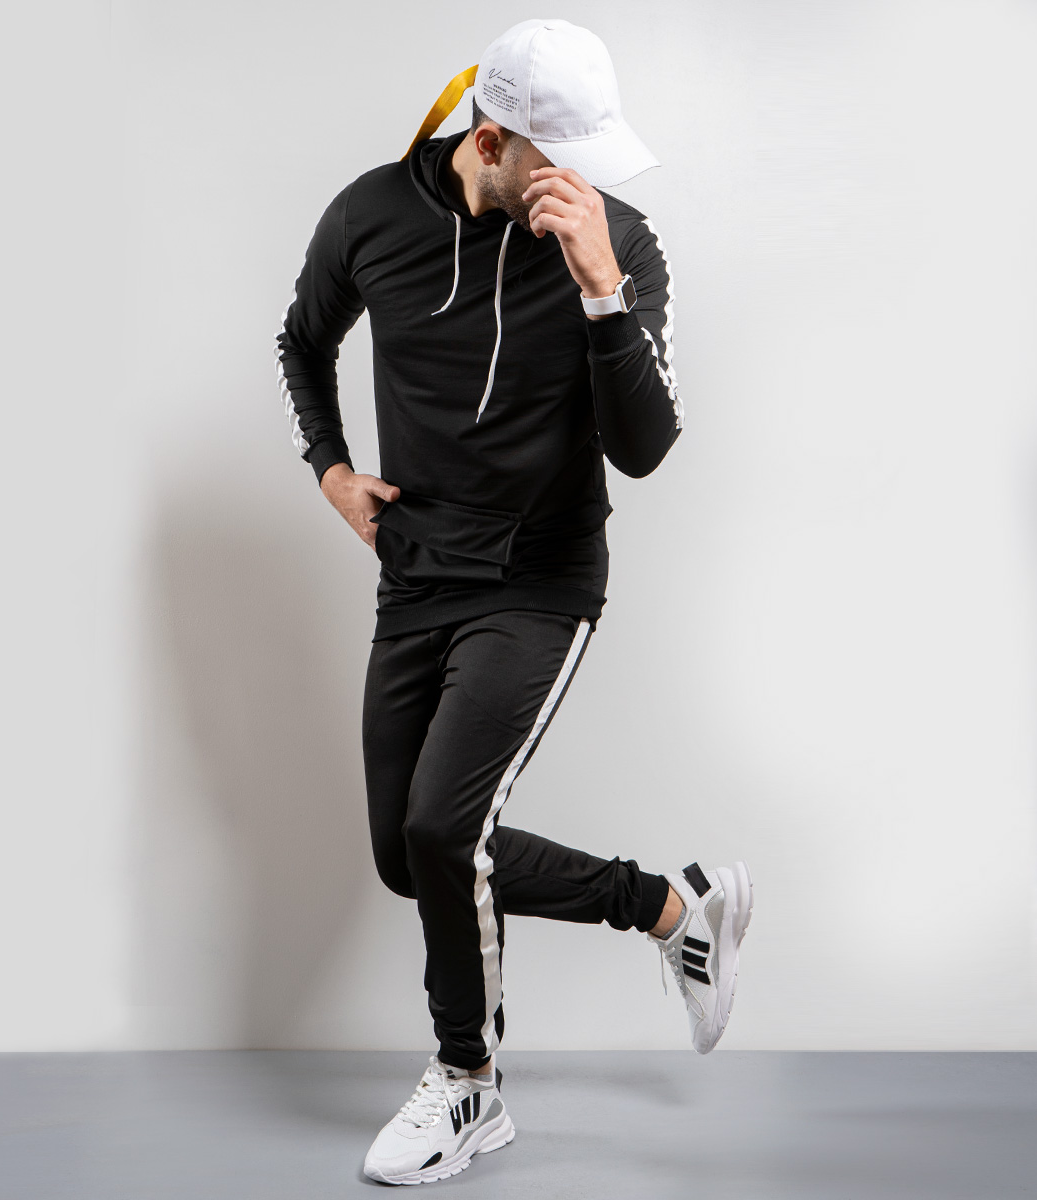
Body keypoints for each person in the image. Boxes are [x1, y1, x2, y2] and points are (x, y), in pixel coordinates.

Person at [273, 18, 753, 1186]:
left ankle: (470, 1084)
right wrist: (332, 470)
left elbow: (644, 449)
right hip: (417, 573)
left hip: (541, 579)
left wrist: (601, 294)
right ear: (489, 142)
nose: (583, 184)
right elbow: (301, 342)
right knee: (411, 854)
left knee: (446, 831)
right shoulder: (370, 216)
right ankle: (670, 909)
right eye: (560, 160)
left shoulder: (619, 240)